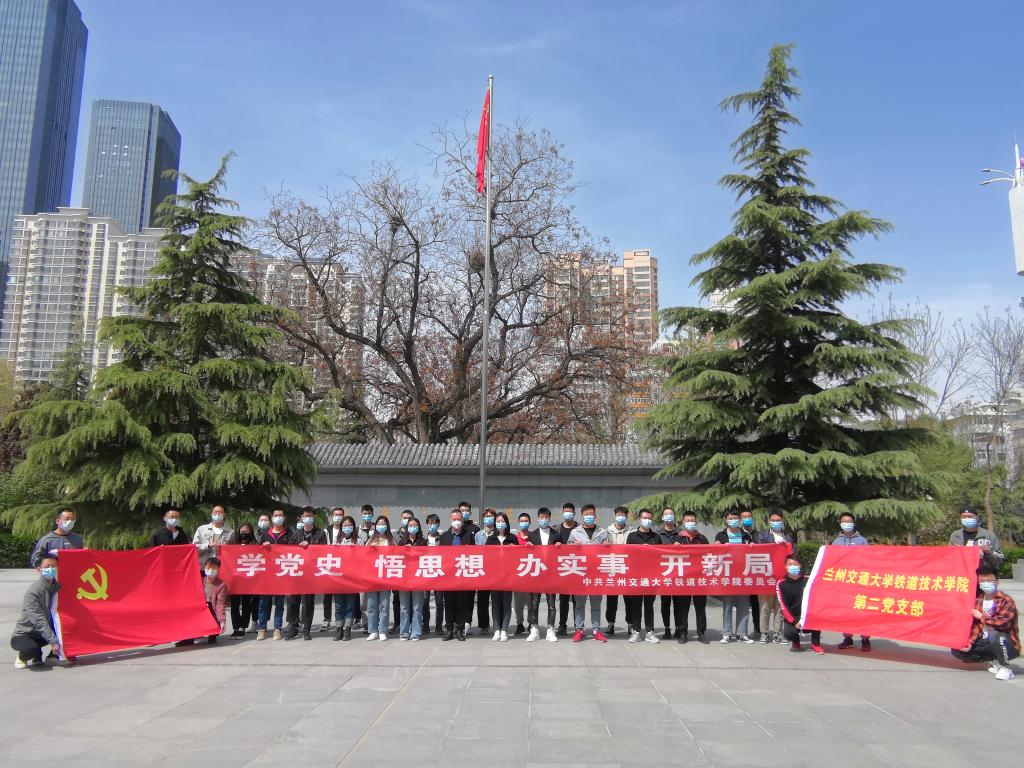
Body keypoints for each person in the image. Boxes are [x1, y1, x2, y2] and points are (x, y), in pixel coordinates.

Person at [951, 565, 1019, 680]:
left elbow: (1003, 623)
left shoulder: (1006, 600)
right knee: (957, 649)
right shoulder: (978, 601)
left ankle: (1005, 668)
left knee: (994, 635)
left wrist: (982, 616)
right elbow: (976, 626)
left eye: (989, 580)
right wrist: (970, 642)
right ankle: (994, 660)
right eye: (982, 581)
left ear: (996, 582)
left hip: (1007, 643)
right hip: (986, 641)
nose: (985, 583)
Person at [566, 504, 608, 643]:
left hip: (597, 573)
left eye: (591, 514)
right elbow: (567, 551)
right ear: (582, 516)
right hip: (580, 573)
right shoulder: (575, 532)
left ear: (595, 516)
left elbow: (611, 551)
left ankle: (596, 630)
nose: (589, 516)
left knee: (596, 604)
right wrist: (573, 546)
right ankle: (579, 630)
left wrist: (607, 545)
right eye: (586, 514)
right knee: (579, 604)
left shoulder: (602, 532)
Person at [11, 554, 60, 669]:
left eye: (54, 566)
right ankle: (23, 656)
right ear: (39, 569)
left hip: (42, 633)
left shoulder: (56, 587)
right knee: (31, 650)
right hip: (26, 633)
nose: (51, 569)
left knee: (68, 632)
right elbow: (39, 620)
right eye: (47, 566)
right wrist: (53, 642)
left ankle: (52, 656)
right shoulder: (33, 592)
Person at [284, 507, 326, 641]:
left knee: (308, 601)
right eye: (305, 516)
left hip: (311, 573)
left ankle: (306, 628)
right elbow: (289, 550)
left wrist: (310, 546)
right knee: (293, 600)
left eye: (310, 516)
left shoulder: (320, 533)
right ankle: (293, 627)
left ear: (314, 517)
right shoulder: (296, 534)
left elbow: (323, 551)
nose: (308, 518)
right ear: (301, 518)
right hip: (296, 572)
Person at [833, 512, 871, 651]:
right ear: (840, 523)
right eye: (844, 521)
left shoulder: (862, 541)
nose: (847, 523)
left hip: (860, 581)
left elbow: (869, 559)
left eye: (849, 521)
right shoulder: (836, 542)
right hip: (843, 582)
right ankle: (847, 638)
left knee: (862, 610)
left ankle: (865, 639)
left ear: (853, 523)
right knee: (845, 611)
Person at [755, 510, 794, 644]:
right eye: (773, 520)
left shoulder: (788, 537)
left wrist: (786, 545)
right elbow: (760, 550)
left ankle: (778, 632)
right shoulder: (763, 535)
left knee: (780, 607)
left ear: (783, 521)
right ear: (768, 521)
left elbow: (793, 555)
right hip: (766, 577)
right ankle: (764, 633)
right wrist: (775, 545)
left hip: (783, 577)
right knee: (765, 607)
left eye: (778, 520)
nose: (776, 522)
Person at [715, 511, 754, 644]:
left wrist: (753, 546)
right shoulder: (721, 535)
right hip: (727, 574)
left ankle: (742, 633)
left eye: (736, 518)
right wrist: (718, 546)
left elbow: (753, 551)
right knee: (728, 605)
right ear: (726, 520)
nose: (733, 520)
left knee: (744, 604)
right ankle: (727, 633)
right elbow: (715, 552)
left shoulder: (746, 535)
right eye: (730, 518)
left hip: (743, 573)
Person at [672, 512, 709, 643]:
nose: (690, 523)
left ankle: (701, 632)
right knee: (683, 607)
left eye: (692, 520)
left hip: (699, 578)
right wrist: (674, 548)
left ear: (696, 522)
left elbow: (709, 555)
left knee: (700, 607)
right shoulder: (677, 538)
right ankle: (683, 632)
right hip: (683, 578)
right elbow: (669, 556)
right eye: (687, 521)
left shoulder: (702, 538)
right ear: (683, 522)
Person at [625, 509, 661, 643]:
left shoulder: (656, 537)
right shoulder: (632, 536)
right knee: (636, 605)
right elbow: (628, 555)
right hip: (636, 576)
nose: (647, 520)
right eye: (645, 518)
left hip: (651, 577)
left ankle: (650, 632)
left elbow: (660, 556)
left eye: (649, 518)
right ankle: (636, 632)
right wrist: (640, 549)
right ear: (639, 519)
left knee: (649, 605)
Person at [256, 509, 292, 640]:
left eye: (281, 515)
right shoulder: (265, 534)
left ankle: (277, 628)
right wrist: (263, 547)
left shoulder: (289, 533)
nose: (278, 517)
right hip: (266, 574)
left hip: (282, 574)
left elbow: (294, 551)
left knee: (279, 603)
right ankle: (262, 628)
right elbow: (258, 553)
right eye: (276, 515)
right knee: (263, 603)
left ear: (284, 517)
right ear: (272, 518)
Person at [776, 555, 823, 654]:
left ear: (800, 565)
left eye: (795, 564)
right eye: (790, 564)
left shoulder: (809, 579)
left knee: (817, 620)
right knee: (789, 633)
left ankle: (816, 644)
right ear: (785, 567)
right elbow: (783, 606)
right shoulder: (781, 583)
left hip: (809, 615)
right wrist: (795, 621)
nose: (792, 566)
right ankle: (796, 641)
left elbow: (817, 598)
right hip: (793, 616)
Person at [440, 509, 475, 641]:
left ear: (462, 520)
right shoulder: (444, 536)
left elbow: (474, 554)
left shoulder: (468, 535)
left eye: (459, 519)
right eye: (454, 519)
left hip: (463, 575)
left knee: (462, 604)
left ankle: (460, 629)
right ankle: (449, 629)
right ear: (450, 520)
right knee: (449, 603)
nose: (457, 522)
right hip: (448, 576)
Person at [527, 507, 560, 642]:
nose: (544, 519)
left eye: (546, 517)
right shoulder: (532, 534)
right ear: (538, 518)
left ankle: (550, 630)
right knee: (534, 603)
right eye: (542, 517)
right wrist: (528, 546)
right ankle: (534, 629)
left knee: (551, 604)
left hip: (551, 574)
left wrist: (559, 545)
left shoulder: (556, 534)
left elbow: (562, 553)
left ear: (550, 518)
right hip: (536, 572)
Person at [486, 512, 519, 641]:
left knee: (506, 603)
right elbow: (486, 557)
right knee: (495, 604)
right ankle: (497, 629)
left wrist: (515, 548)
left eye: (502, 521)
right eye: (498, 521)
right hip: (494, 576)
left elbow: (519, 556)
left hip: (508, 576)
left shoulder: (512, 538)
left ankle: (504, 630)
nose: (500, 523)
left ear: (507, 523)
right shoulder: (491, 539)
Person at [330, 514, 361, 641]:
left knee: (349, 604)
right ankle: (339, 628)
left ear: (353, 527)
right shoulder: (337, 541)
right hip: (338, 578)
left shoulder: (358, 541)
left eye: (349, 525)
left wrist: (356, 550)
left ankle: (348, 629)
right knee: (338, 605)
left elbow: (364, 559)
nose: (347, 527)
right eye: (345, 525)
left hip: (351, 578)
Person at [396, 515, 426, 641]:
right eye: (410, 525)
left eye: (415, 525)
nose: (412, 527)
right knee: (404, 608)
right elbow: (396, 558)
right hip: (404, 579)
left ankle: (416, 632)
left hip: (418, 579)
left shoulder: (423, 542)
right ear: (407, 527)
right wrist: (404, 550)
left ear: (418, 527)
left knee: (417, 608)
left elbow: (426, 558)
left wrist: (416, 551)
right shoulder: (402, 542)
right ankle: (404, 633)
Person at [365, 515, 395, 641]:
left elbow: (396, 555)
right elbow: (364, 556)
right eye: (379, 524)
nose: (381, 526)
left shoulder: (391, 540)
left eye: (383, 524)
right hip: (372, 576)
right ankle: (373, 631)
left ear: (387, 526)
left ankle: (383, 630)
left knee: (384, 604)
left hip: (385, 577)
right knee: (371, 605)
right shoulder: (371, 540)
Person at [949, 506, 1005, 572]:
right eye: (964, 517)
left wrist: (989, 552)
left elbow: (1000, 559)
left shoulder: (988, 535)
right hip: (962, 574)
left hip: (984, 574)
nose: (967, 519)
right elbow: (949, 559)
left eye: (970, 516)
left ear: (977, 518)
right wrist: (954, 552)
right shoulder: (955, 536)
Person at [658, 507, 685, 640]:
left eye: (671, 513)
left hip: (679, 573)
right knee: (665, 603)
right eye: (666, 514)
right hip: (664, 574)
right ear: (662, 517)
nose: (669, 515)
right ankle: (667, 628)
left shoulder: (682, 533)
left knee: (678, 603)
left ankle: (679, 627)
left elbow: (690, 551)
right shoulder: (657, 534)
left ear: (675, 516)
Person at [604, 505, 631, 636]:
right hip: (612, 568)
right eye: (619, 515)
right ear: (615, 516)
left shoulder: (631, 532)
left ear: (626, 517)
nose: (621, 517)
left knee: (629, 599)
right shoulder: (606, 531)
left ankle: (631, 624)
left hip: (627, 569)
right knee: (611, 599)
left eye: (623, 515)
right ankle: (610, 624)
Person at [230, 523, 260, 637]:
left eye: (247, 531)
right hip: (235, 578)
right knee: (234, 604)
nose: (244, 533)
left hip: (248, 579)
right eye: (242, 531)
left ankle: (243, 626)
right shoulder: (233, 545)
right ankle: (236, 627)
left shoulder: (255, 544)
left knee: (246, 603)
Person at [321, 506, 347, 631]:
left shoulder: (346, 529)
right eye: (335, 515)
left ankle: (343, 620)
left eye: (340, 515)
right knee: (328, 595)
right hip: (330, 564)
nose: (338, 517)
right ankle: (326, 619)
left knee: (342, 595)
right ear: (332, 516)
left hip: (343, 566)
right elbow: (323, 547)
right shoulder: (327, 530)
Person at [473, 507, 497, 637]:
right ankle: (483, 625)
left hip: (496, 571)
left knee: (496, 600)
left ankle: (497, 625)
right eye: (486, 516)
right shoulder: (478, 535)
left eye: (491, 516)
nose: (489, 518)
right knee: (482, 600)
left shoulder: (498, 533)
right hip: (482, 571)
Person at [556, 502, 578, 635]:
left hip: (577, 567)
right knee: (563, 599)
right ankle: (562, 625)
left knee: (577, 600)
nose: (568, 514)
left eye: (570, 512)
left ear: (574, 513)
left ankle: (577, 626)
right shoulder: (557, 529)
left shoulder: (580, 528)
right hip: (563, 568)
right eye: (566, 512)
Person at [739, 510, 761, 640]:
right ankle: (742, 631)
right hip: (741, 574)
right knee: (742, 604)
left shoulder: (759, 535)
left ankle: (758, 629)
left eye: (749, 516)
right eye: (744, 517)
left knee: (756, 603)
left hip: (756, 573)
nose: (747, 519)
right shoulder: (739, 535)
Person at [193, 505, 235, 570]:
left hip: (222, 567)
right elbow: (194, 548)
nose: (217, 514)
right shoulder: (201, 529)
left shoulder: (230, 531)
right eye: (215, 512)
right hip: (203, 567)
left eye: (220, 512)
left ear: (224, 515)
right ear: (212, 514)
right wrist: (208, 545)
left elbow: (232, 550)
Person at [512, 512, 533, 636]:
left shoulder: (534, 537)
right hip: (518, 575)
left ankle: (531, 623)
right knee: (518, 603)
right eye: (522, 521)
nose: (524, 523)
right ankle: (519, 624)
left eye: (526, 521)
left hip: (531, 575)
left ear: (530, 523)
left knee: (531, 602)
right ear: (518, 523)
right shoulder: (514, 538)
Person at [424, 513, 444, 635]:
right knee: (425, 601)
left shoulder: (443, 539)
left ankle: (439, 626)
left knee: (439, 602)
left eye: (435, 523)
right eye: (431, 523)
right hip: (426, 573)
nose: (433, 525)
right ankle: (425, 625)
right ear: (427, 524)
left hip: (439, 574)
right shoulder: (423, 540)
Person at [203, 557, 229, 644]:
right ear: (204, 568)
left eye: (213, 568)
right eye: (208, 567)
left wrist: (222, 621)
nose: (210, 570)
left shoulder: (222, 585)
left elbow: (220, 604)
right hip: (200, 609)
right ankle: (188, 639)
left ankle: (212, 635)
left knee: (217, 623)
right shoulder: (200, 581)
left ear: (218, 569)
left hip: (212, 609)